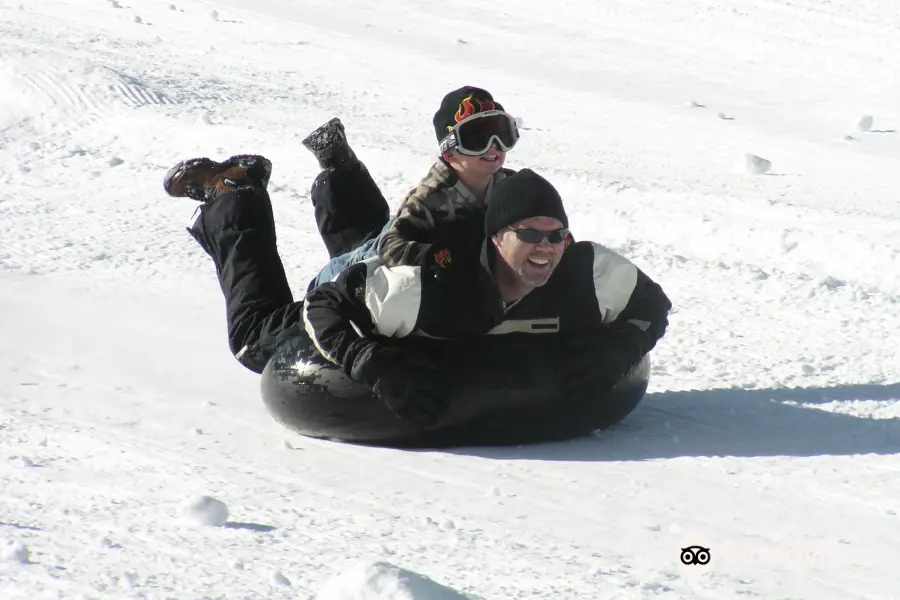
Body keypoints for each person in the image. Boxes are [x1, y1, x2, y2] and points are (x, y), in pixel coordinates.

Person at [301, 168, 671, 428]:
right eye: (528, 234)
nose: (546, 247)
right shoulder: (427, 287)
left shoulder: (589, 275)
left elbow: (652, 306)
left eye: (557, 236)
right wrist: (372, 363)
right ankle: (247, 192)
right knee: (256, 336)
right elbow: (322, 304)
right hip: (351, 284)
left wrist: (622, 349)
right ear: (496, 237)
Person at [300, 85, 529, 290]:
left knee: (370, 229)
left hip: (410, 235)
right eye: (477, 140)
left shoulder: (511, 186)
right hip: (378, 256)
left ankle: (340, 164)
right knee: (355, 252)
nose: (494, 147)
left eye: (501, 134)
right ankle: (338, 165)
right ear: (449, 151)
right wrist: (434, 256)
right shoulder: (432, 197)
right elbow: (389, 249)